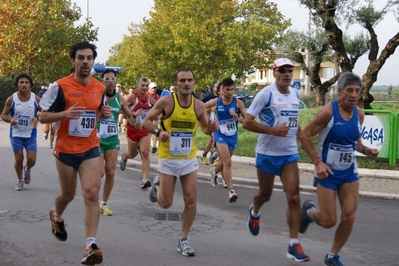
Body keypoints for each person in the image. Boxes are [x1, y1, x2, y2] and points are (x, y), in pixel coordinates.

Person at [39, 41, 111, 265]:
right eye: (81, 58)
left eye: (89, 58)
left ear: (93, 61)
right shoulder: (59, 87)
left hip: (90, 147)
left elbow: (97, 114)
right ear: (73, 61)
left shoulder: (99, 88)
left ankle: (90, 244)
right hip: (65, 149)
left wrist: (104, 113)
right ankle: (57, 215)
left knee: (91, 193)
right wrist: (64, 114)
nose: (85, 62)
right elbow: (42, 117)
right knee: (68, 195)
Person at [298, 72, 379, 266]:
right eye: (349, 90)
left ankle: (332, 256)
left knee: (349, 216)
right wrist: (318, 162)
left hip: (349, 172)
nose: (353, 95)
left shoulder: (359, 114)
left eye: (357, 91)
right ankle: (309, 212)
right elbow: (305, 136)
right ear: (340, 92)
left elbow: (355, 143)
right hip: (328, 173)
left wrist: (366, 150)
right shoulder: (328, 111)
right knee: (328, 221)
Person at [143, 68, 218, 257]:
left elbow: (205, 130)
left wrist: (211, 128)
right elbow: (146, 121)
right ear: (176, 84)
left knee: (191, 199)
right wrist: (159, 133)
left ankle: (183, 239)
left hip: (188, 159)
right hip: (168, 158)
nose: (186, 83)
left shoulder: (199, 106)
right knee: (166, 204)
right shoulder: (166, 102)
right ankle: (157, 186)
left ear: (194, 83)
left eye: (189, 80)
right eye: (182, 80)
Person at [242, 58, 310, 262]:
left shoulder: (296, 94)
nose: (287, 74)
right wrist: (272, 130)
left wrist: (303, 136)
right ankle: (254, 212)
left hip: (288, 154)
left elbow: (293, 122)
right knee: (265, 195)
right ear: (275, 73)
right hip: (267, 153)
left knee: (294, 197)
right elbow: (247, 122)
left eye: (290, 70)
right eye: (282, 71)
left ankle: (293, 244)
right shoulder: (265, 94)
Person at [98, 69, 134, 216]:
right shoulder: (98, 96)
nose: (110, 81)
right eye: (107, 79)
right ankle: (91, 197)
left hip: (112, 139)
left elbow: (128, 114)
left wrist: (134, 122)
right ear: (103, 81)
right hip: (98, 138)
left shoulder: (120, 98)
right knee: (99, 173)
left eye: (113, 79)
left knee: (111, 172)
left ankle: (103, 203)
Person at [205, 78, 246, 202]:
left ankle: (214, 170)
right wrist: (208, 121)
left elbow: (248, 121)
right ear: (221, 90)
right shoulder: (216, 102)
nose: (230, 92)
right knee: (227, 162)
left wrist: (238, 118)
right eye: (227, 89)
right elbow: (201, 108)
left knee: (224, 161)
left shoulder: (238, 103)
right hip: (220, 134)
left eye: (232, 89)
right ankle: (231, 191)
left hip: (232, 135)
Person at [1, 73, 41, 191]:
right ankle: (20, 180)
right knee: (19, 159)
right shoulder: (12, 99)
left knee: (32, 159)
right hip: (16, 133)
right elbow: (3, 115)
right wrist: (11, 119)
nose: (24, 85)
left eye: (26, 82)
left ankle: (27, 169)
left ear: (30, 85)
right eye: (21, 82)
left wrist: (37, 117)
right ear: (17, 84)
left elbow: (45, 111)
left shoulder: (35, 99)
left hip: (30, 133)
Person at [119, 77, 156, 189]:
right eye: (142, 85)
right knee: (132, 154)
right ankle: (125, 158)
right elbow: (121, 109)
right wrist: (134, 113)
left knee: (145, 153)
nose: (144, 88)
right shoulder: (133, 97)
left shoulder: (149, 98)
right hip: (133, 129)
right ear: (138, 86)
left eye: (146, 86)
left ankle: (145, 179)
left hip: (144, 129)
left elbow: (159, 107)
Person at [201, 82, 220, 165]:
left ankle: (204, 155)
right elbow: (201, 107)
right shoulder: (209, 97)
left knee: (212, 140)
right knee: (214, 140)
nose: (219, 89)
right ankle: (214, 157)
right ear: (213, 88)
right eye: (217, 87)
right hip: (211, 123)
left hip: (220, 124)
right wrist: (206, 118)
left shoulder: (222, 98)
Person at [147, 82, 160, 153]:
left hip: (154, 115)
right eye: (152, 88)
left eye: (155, 88)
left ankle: (154, 145)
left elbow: (158, 107)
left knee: (155, 130)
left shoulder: (157, 96)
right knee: (147, 132)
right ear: (149, 88)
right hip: (147, 116)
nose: (154, 90)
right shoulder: (146, 95)